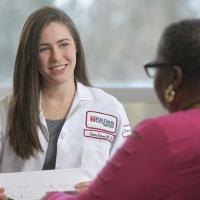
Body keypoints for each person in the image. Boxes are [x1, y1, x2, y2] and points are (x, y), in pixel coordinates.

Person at [43, 19, 200, 200]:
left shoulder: (162, 134)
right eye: (44, 48)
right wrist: (112, 186)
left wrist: (51, 196)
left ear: (175, 77)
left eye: (155, 67)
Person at [0, 6, 131, 198]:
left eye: (63, 44)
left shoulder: (110, 109)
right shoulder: (4, 112)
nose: (56, 57)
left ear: (76, 46)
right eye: (43, 49)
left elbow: (130, 181)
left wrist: (105, 191)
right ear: (30, 56)